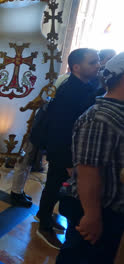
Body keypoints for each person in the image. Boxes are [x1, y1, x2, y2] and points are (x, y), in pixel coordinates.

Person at [56, 52, 124, 264]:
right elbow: (89, 172)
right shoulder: (99, 118)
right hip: (101, 212)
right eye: (91, 62)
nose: (96, 66)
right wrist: (92, 215)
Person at [36, 48, 101, 249]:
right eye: (93, 62)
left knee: (54, 186)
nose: (98, 65)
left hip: (69, 150)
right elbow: (61, 128)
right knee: (54, 186)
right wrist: (66, 161)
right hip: (63, 150)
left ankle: (43, 215)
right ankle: (44, 227)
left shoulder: (83, 86)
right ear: (76, 67)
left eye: (97, 61)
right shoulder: (71, 91)